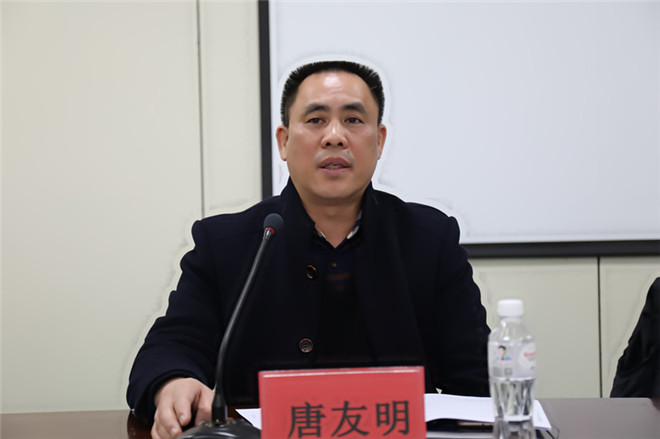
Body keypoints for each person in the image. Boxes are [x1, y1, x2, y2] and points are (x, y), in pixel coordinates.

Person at [127, 60, 490, 439]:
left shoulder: (429, 241)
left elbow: (476, 374)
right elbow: (172, 346)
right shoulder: (225, 244)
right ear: (284, 141)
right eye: (316, 120)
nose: (335, 137)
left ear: (379, 140)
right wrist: (172, 382)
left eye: (353, 120)